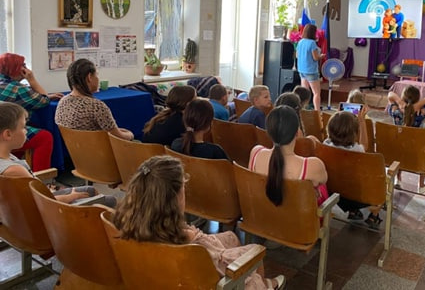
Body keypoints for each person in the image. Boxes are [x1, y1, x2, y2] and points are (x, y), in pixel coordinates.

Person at [112, 155, 285, 290]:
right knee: (254, 253)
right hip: (202, 276)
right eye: (183, 190)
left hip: (156, 277)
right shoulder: (191, 244)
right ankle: (264, 285)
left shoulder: (125, 222)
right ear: (175, 200)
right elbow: (215, 261)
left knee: (231, 237)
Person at [0, 102, 116, 207]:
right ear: (8, 134)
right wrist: (70, 197)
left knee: (89, 190)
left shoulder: (7, 158)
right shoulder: (14, 171)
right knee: (110, 200)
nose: (26, 131)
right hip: (47, 212)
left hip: (33, 203)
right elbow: (42, 201)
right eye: (23, 127)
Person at [248, 105, 328, 207]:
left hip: (263, 213)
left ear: (268, 132)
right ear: (297, 133)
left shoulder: (255, 152)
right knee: (320, 188)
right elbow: (323, 180)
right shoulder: (313, 165)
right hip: (299, 216)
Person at [0, 53, 63, 171]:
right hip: (4, 133)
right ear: (16, 68)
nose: (26, 68)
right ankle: (42, 175)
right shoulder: (17, 88)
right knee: (44, 137)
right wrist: (31, 79)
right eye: (23, 65)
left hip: (3, 128)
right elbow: (44, 101)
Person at [321, 111, 382, 228]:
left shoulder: (325, 145)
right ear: (354, 133)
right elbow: (365, 144)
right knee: (378, 185)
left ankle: (353, 211)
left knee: (344, 178)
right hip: (356, 197)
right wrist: (362, 122)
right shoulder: (357, 150)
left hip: (333, 192)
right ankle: (374, 216)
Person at [55, 59, 134, 141]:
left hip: (75, 148)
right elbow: (118, 137)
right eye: (96, 75)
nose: (98, 79)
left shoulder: (62, 102)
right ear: (89, 77)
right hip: (101, 148)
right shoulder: (96, 106)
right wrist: (130, 135)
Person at [387, 86, 425, 193]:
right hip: (416, 156)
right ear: (418, 98)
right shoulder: (422, 112)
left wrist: (399, 102)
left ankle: (398, 179)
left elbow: (390, 95)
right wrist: (419, 104)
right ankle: (421, 185)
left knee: (400, 146)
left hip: (396, 153)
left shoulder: (395, 110)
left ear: (403, 97)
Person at [296, 24, 324, 111]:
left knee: (305, 93)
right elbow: (315, 57)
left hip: (301, 70)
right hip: (311, 71)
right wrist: (321, 56)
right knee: (316, 93)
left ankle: (303, 109)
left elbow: (297, 55)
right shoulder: (312, 43)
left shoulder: (300, 42)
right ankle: (317, 111)